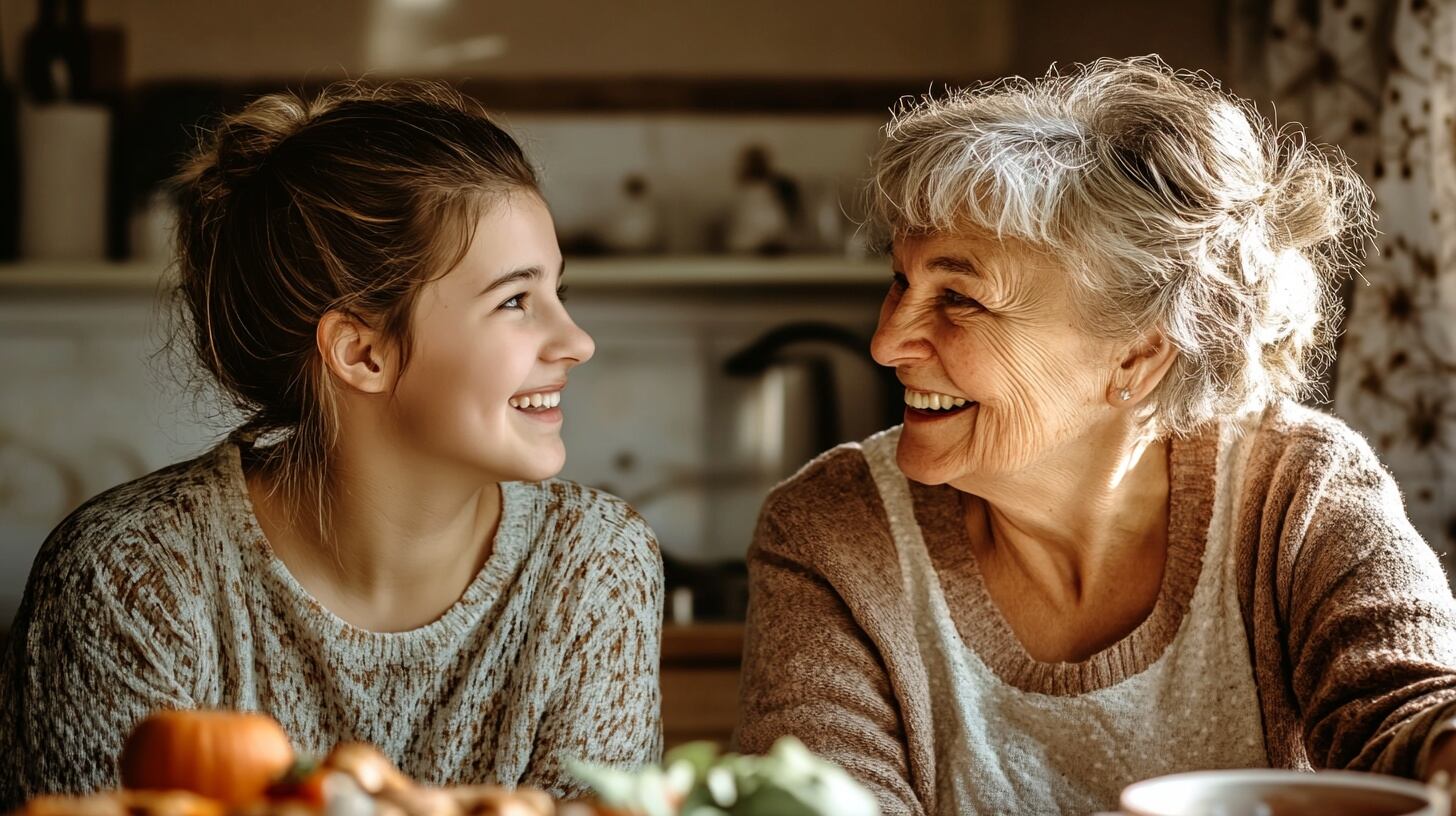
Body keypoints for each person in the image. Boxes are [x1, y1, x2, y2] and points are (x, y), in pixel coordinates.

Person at [736, 57, 1456, 815]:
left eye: (961, 299)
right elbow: (813, 802)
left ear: (1139, 355)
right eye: (900, 281)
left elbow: (1409, 718)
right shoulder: (831, 531)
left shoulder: (1297, 492)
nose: (886, 344)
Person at [0, 81, 662, 807]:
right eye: (515, 300)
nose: (578, 342)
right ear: (362, 353)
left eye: (560, 294)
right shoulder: (127, 578)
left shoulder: (595, 562)